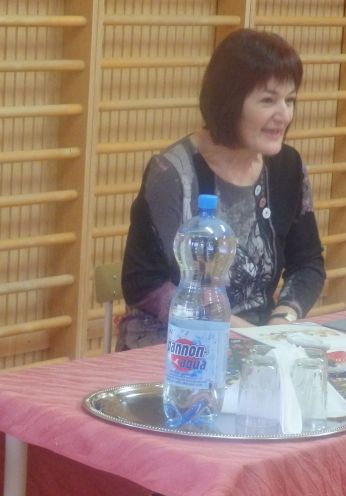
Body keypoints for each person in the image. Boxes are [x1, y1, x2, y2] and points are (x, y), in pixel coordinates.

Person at [118, 28, 326, 350]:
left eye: (290, 100)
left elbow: (308, 263)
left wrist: (280, 321)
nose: (284, 115)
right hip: (175, 345)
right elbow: (143, 284)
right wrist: (243, 333)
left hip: (256, 341)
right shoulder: (172, 173)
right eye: (268, 100)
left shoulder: (287, 166)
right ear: (229, 103)